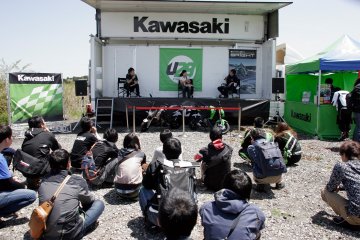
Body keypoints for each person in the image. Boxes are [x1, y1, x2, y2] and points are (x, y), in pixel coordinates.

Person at [38, 149, 104, 239]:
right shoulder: (76, 180)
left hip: (46, 233)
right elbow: (89, 201)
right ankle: (83, 228)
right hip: (69, 234)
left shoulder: (43, 181)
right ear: (68, 164)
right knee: (99, 204)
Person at [139, 138, 195, 227]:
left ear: (164, 152)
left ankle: (150, 220)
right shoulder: (189, 167)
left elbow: (146, 184)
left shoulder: (156, 165)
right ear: (180, 152)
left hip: (163, 220)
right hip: (187, 218)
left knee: (143, 190)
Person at [200, 170, 265, 240]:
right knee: (257, 233)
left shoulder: (207, 208)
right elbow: (260, 226)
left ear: (223, 186)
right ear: (248, 191)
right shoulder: (255, 213)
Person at [0, 125, 36, 220]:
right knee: (31, 195)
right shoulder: (0, 158)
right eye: (11, 136)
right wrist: (20, 185)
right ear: (7, 140)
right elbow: (8, 183)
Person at [321, 141, 360, 227]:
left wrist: (337, 187)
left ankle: (349, 219)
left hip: (357, 216)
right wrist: (342, 187)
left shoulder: (342, 166)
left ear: (344, 155)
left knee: (325, 192)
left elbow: (330, 187)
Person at [22, 116, 61, 189]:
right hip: (41, 171)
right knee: (58, 156)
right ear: (42, 125)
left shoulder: (27, 137)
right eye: (44, 122)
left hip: (26, 170)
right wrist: (49, 133)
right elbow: (58, 150)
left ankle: (32, 181)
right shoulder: (47, 135)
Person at [194, 127, 233, 191]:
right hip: (226, 184)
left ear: (210, 137)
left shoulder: (205, 151)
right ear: (221, 137)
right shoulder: (229, 148)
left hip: (211, 185)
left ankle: (203, 179)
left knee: (203, 162)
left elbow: (196, 158)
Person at [114, 133, 147, 199]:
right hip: (134, 192)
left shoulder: (120, 152)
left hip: (118, 190)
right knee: (145, 166)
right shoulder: (141, 153)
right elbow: (143, 165)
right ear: (137, 142)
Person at [350, 78, 360, 142]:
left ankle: (354, 142)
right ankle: (356, 143)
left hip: (355, 110)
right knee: (359, 127)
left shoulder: (355, 88)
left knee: (357, 126)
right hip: (358, 110)